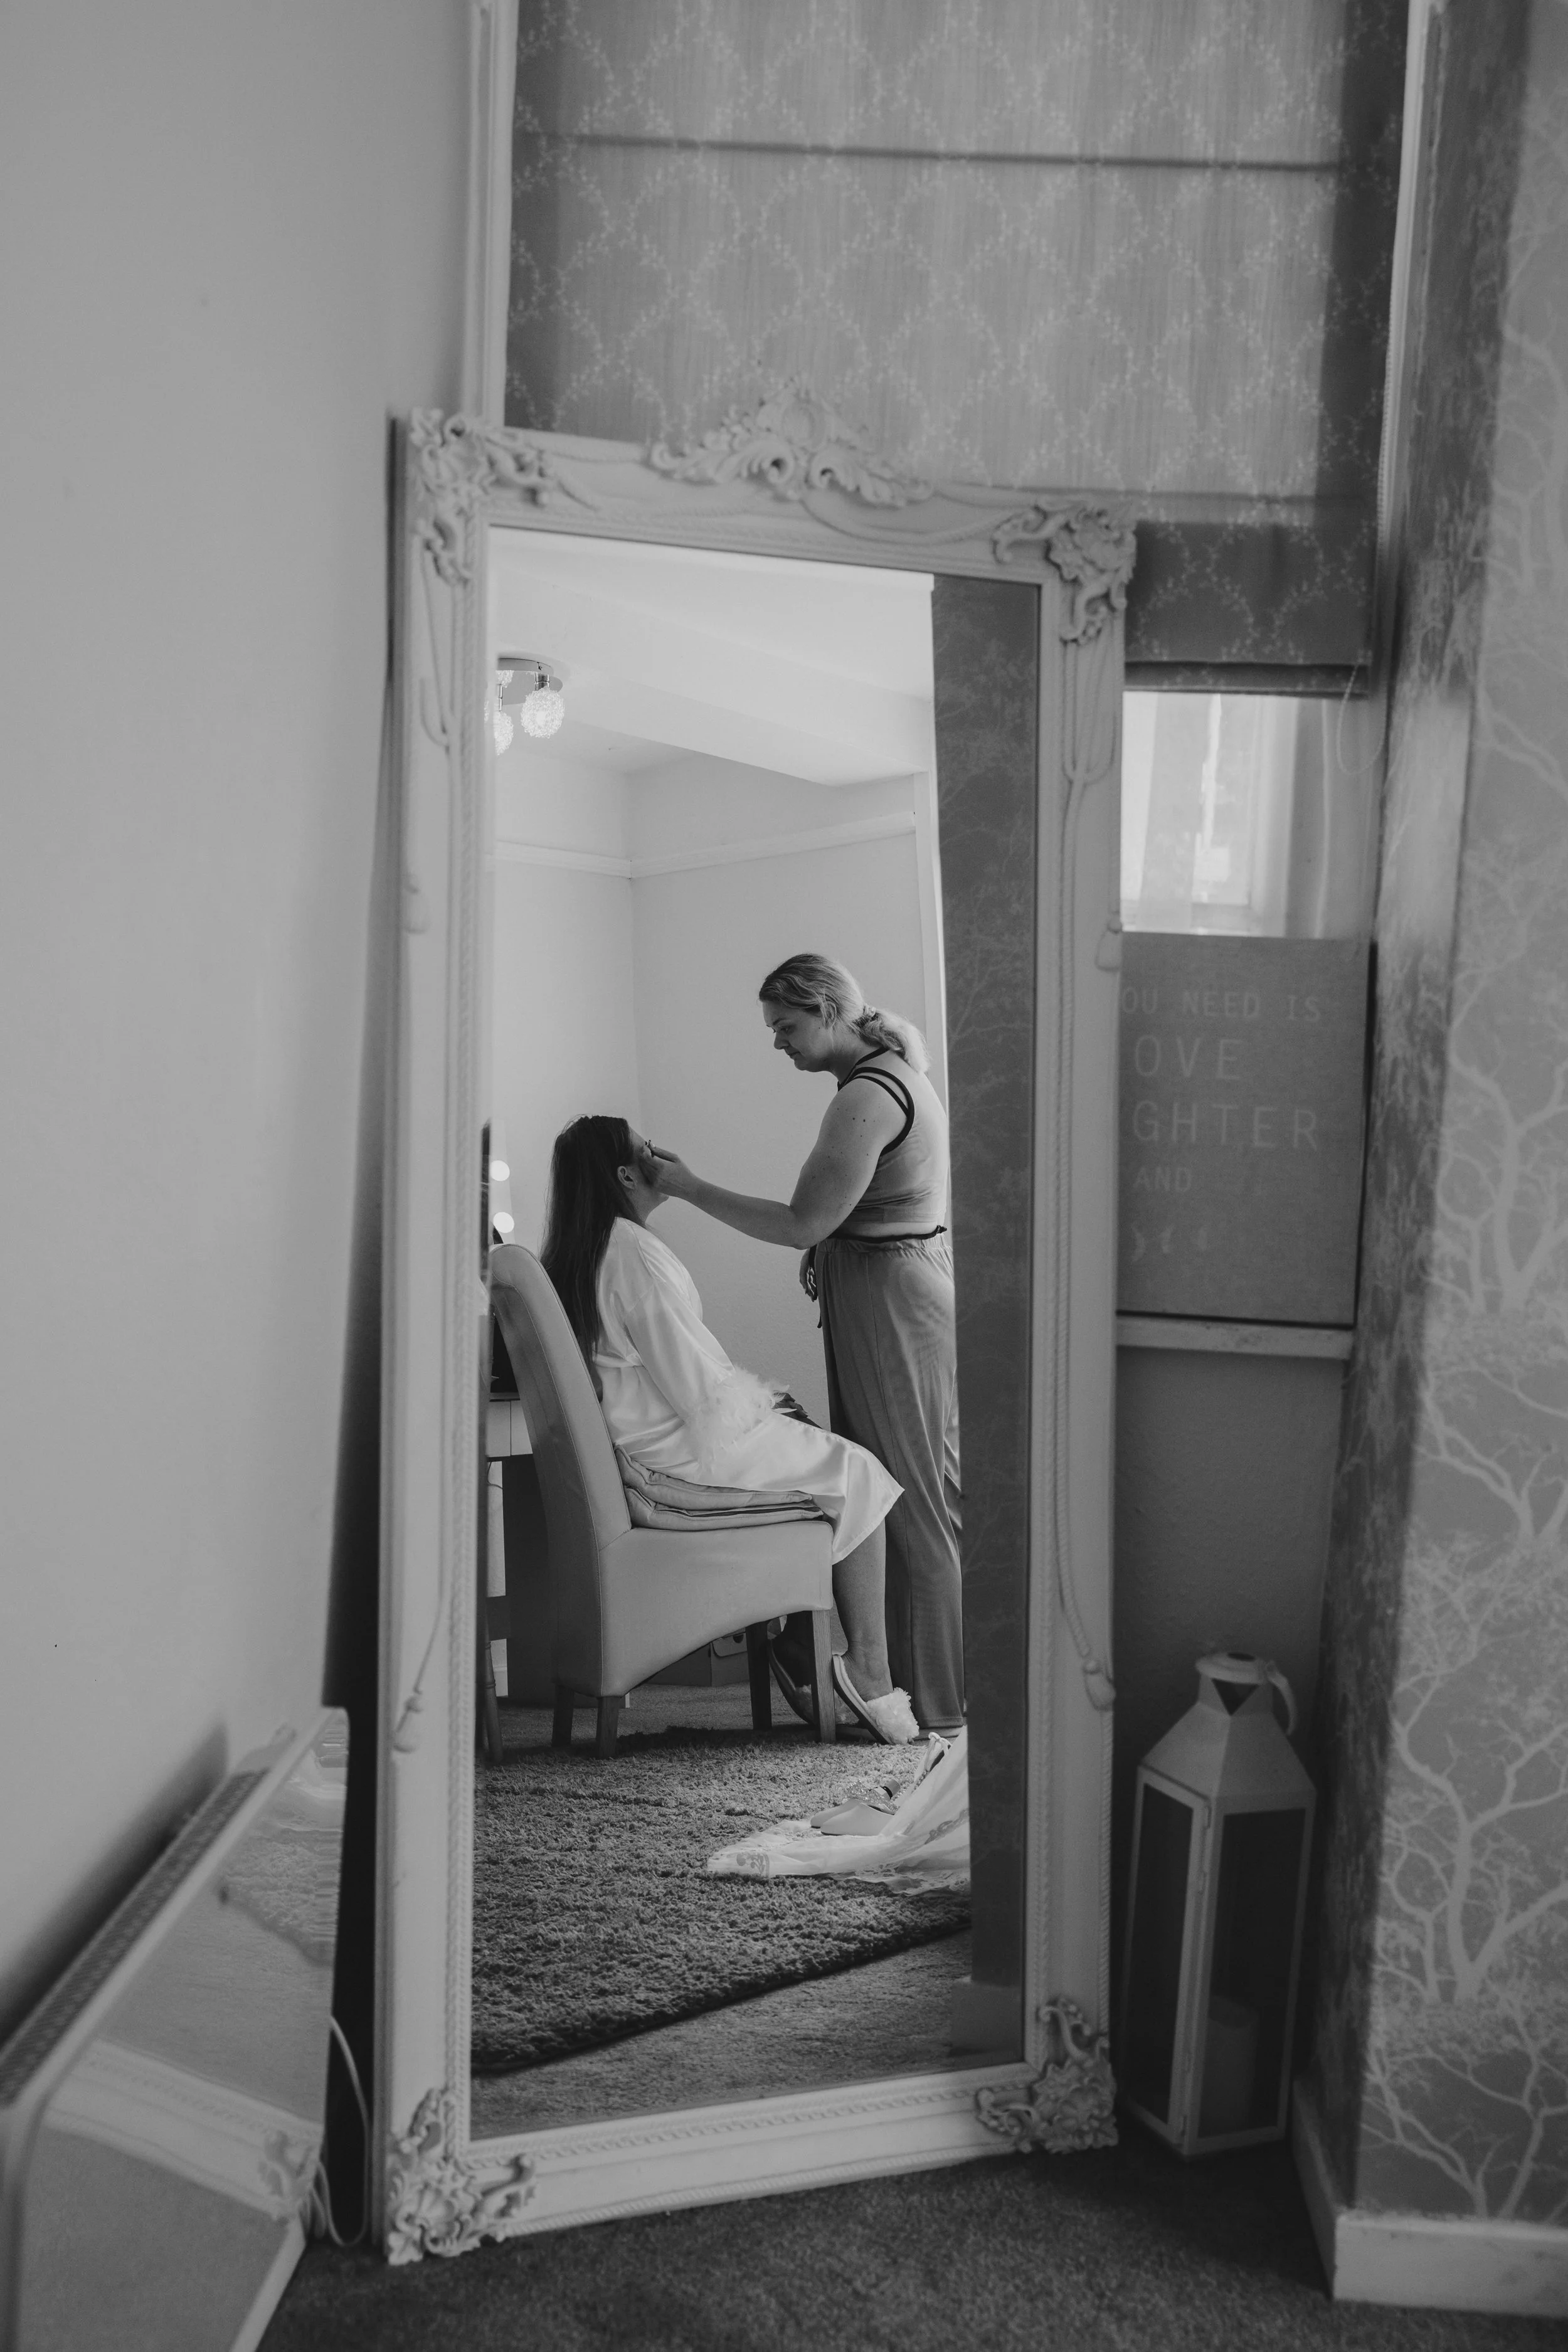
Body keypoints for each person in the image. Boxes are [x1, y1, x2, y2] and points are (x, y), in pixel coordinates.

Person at [642, 953, 963, 1735]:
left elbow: (801, 1224)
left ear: (824, 1009)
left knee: (914, 1500)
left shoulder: (866, 1096)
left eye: (785, 1027)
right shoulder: (888, 1073)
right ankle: (913, 1686)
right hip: (885, 1289)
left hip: (891, 1299)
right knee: (899, 1489)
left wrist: (685, 1187)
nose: (778, 1044)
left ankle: (944, 1704)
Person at [540, 1113, 919, 1744]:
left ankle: (801, 1644)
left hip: (644, 1441)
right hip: (677, 1455)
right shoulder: (635, 1256)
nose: (664, 1154)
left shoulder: (587, 1252)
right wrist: (767, 1409)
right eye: (649, 1149)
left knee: (821, 1458)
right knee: (861, 1475)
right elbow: (697, 1389)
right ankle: (868, 1669)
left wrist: (771, 1409)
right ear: (628, 1174)